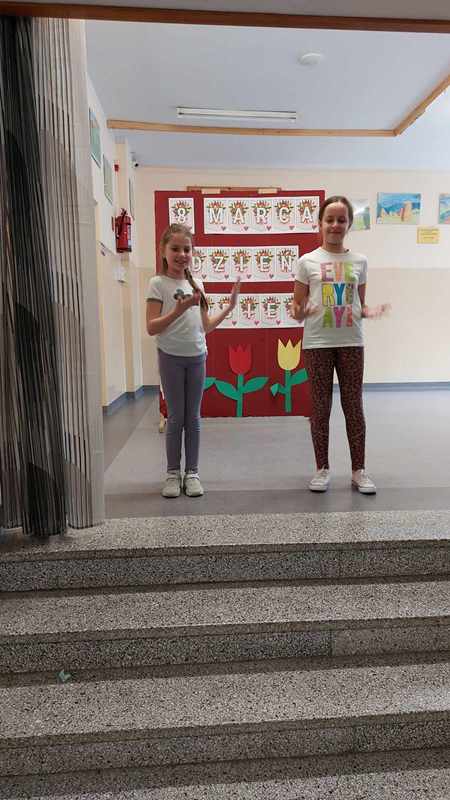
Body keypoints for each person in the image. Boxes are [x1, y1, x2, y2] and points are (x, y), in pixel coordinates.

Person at [291, 196, 390, 494]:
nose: (335, 225)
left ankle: (359, 471)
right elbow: (296, 309)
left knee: (353, 405)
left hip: (351, 342)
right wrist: (302, 311)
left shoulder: (360, 261)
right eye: (329, 219)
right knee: (321, 406)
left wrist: (369, 311)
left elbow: (360, 303)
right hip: (317, 344)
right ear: (319, 224)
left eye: (341, 220)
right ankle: (321, 469)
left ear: (349, 225)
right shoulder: (307, 261)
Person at [146, 223, 240, 498]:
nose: (181, 254)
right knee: (176, 417)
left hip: (197, 356)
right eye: (175, 248)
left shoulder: (196, 284)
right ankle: (173, 474)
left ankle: (193, 473)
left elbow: (206, 326)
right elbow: (151, 327)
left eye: (187, 249)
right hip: (170, 357)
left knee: (194, 417)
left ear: (193, 252)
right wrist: (177, 311)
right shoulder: (157, 283)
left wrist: (229, 307)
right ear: (163, 250)